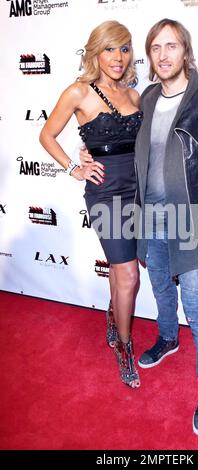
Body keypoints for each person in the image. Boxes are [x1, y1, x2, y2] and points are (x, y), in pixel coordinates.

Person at [80, 18, 198, 436]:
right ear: (149, 56)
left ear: (186, 51)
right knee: (160, 287)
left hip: (192, 218)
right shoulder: (146, 97)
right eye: (156, 47)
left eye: (172, 46)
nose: (164, 55)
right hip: (148, 213)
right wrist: (83, 154)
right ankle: (167, 337)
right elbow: (111, 136)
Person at [39, 21, 143, 389]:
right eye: (110, 49)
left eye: (124, 49)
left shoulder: (135, 96)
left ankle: (115, 319)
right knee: (130, 273)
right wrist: (74, 167)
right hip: (106, 193)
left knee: (122, 268)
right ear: (95, 52)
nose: (118, 57)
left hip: (139, 193)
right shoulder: (79, 92)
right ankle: (125, 348)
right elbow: (46, 135)